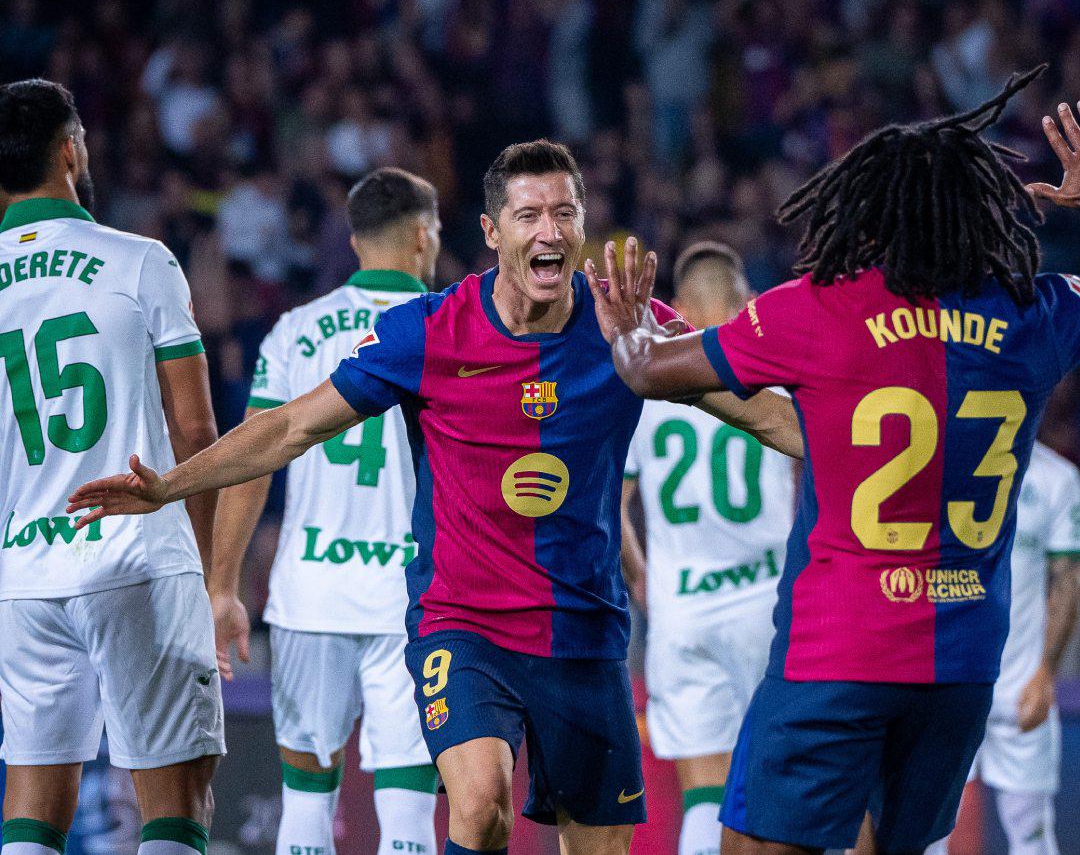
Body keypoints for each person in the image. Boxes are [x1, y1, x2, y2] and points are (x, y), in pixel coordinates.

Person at [67, 140, 803, 855]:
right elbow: (288, 427)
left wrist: (878, 454)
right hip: (465, 622)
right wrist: (169, 486)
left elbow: (760, 411)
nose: (551, 231)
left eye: (565, 212)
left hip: (584, 630)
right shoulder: (431, 332)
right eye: (530, 215)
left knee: (600, 843)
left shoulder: (627, 323)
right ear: (490, 232)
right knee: (480, 805)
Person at [585, 68, 1080, 854]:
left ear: (868, 216)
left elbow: (647, 369)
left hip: (835, 653)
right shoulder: (1037, 313)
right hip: (963, 665)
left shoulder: (815, 309)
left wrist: (629, 325)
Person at [0, 80, 224, 855]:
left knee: (31, 808)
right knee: (174, 806)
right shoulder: (140, 261)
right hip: (137, 557)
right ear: (71, 150)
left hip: (24, 574)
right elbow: (195, 431)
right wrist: (200, 569)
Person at [206, 168, 442, 855]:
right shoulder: (451, 322)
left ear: (355, 239)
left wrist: (223, 584)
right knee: (406, 810)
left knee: (307, 801)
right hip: (413, 592)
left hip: (310, 593)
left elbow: (254, 462)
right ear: (425, 236)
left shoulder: (295, 329)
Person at [620, 241, 795, 855]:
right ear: (742, 299)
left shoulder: (646, 389)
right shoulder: (776, 378)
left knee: (702, 793)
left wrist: (643, 579)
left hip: (682, 613)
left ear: (684, 306)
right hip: (769, 609)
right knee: (785, 786)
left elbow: (611, 508)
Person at [924, 442, 1080, 855]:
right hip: (947, 685)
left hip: (1021, 686)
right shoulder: (940, 458)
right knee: (927, 834)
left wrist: (1046, 673)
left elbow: (1067, 580)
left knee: (1030, 831)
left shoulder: (1056, 476)